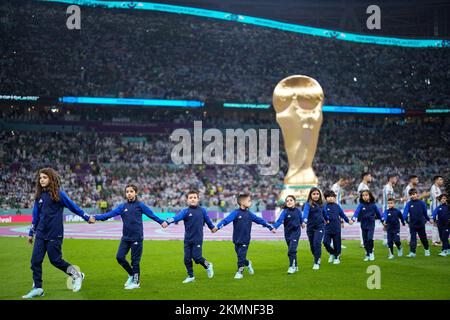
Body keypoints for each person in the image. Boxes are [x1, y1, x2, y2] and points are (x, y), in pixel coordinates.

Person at [23, 167, 94, 299]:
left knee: (55, 260)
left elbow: (74, 207)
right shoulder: (38, 196)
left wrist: (86, 216)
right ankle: (38, 288)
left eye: (44, 177)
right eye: (40, 178)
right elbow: (35, 215)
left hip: (55, 234)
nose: (42, 180)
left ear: (51, 179)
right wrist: (30, 233)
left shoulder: (59, 194)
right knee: (35, 261)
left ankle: (76, 275)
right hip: (41, 234)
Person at [93, 184, 165, 289]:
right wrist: (95, 217)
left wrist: (161, 222)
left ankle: (136, 283)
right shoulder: (122, 207)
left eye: (131, 191)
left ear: (135, 193)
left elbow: (151, 215)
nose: (129, 193)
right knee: (119, 257)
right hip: (125, 238)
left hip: (137, 238)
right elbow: (109, 215)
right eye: (127, 192)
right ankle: (131, 274)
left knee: (135, 261)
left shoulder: (140, 205)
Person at [213, 194, 275, 279]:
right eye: (249, 201)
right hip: (236, 240)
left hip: (245, 240)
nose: (251, 202)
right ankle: (248, 263)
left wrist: (270, 227)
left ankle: (240, 272)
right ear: (242, 203)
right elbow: (226, 220)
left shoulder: (250, 214)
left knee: (241, 257)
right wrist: (218, 227)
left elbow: (260, 220)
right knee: (241, 257)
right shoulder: (235, 213)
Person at [163, 190, 215, 283]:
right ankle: (191, 276)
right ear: (187, 200)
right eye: (190, 198)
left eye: (194, 197)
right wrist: (167, 221)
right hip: (187, 240)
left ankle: (208, 265)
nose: (192, 199)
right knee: (186, 259)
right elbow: (176, 217)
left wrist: (212, 228)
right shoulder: (185, 211)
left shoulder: (202, 210)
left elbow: (208, 221)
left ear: (198, 199)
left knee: (197, 258)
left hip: (197, 239)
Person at [272, 195, 302, 274]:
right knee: (292, 250)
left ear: (294, 202)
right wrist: (275, 227)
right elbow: (279, 220)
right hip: (287, 233)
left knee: (291, 250)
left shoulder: (298, 211)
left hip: (296, 232)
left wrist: (303, 224)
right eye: (287, 201)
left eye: (291, 200)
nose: (289, 202)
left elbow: (301, 219)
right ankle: (295, 265)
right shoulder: (284, 211)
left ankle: (291, 267)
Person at [322, 190, 353, 265]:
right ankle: (332, 253)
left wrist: (348, 220)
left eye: (332, 197)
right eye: (329, 197)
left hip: (336, 228)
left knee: (337, 244)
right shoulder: (324, 207)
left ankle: (337, 257)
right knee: (325, 242)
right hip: (327, 228)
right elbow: (321, 215)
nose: (331, 198)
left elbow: (342, 214)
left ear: (335, 198)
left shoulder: (337, 206)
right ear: (325, 198)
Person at [351, 190, 382, 261]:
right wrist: (353, 219)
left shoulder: (373, 205)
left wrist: (383, 221)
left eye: (366, 195)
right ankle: (367, 254)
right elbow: (356, 212)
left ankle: (371, 253)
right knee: (365, 241)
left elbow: (379, 214)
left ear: (370, 196)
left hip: (371, 224)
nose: (364, 197)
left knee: (370, 239)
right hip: (363, 225)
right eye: (363, 195)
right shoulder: (361, 205)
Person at [301, 187, 326, 270]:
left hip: (320, 226)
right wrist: (304, 221)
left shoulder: (322, 204)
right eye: (314, 194)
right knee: (312, 246)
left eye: (317, 194)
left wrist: (328, 219)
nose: (316, 196)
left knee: (317, 243)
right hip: (310, 227)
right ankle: (317, 256)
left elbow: (324, 213)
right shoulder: (308, 204)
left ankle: (316, 261)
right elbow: (305, 213)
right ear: (310, 195)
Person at [403, 188, 431, 258]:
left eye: (414, 194)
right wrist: (403, 219)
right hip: (412, 224)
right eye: (411, 195)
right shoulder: (409, 204)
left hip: (421, 224)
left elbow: (425, 213)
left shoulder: (422, 203)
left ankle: (427, 249)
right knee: (413, 239)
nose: (413, 196)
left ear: (417, 194)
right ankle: (412, 252)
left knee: (423, 238)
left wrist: (429, 219)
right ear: (409, 196)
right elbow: (405, 213)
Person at [382, 174, 398, 247]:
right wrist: (400, 199)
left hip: (386, 208)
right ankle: (389, 241)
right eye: (395, 178)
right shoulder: (388, 187)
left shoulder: (389, 187)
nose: (396, 180)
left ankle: (385, 241)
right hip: (388, 209)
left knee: (386, 226)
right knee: (391, 225)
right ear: (391, 179)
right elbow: (390, 199)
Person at [357, 172, 372, 247]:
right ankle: (363, 242)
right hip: (363, 208)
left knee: (365, 225)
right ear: (365, 177)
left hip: (366, 207)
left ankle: (364, 241)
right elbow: (361, 198)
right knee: (363, 225)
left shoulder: (365, 186)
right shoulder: (362, 186)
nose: (370, 178)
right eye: (369, 176)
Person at [430, 175, 444, 246]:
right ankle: (434, 241)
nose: (442, 181)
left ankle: (437, 240)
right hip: (435, 208)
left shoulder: (438, 188)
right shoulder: (434, 188)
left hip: (438, 208)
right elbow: (438, 197)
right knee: (435, 224)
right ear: (436, 180)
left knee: (438, 224)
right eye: (440, 179)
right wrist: (446, 197)